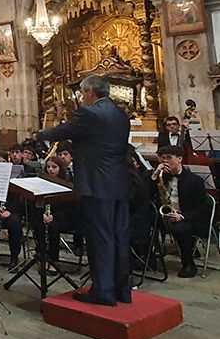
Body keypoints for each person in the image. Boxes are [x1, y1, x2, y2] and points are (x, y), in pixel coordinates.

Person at [39, 74, 131, 306]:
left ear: (90, 92)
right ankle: (122, 289)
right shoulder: (120, 114)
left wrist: (40, 134)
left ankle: (103, 292)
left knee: (100, 237)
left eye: (82, 92)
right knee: (119, 235)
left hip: (97, 183)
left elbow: (65, 131)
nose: (81, 96)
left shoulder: (90, 113)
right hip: (119, 182)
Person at [153, 145, 213, 277]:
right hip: (165, 214)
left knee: (181, 228)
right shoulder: (162, 177)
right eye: (163, 158)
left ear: (180, 159)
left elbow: (203, 208)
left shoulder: (195, 180)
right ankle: (149, 259)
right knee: (144, 222)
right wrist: (156, 174)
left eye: (169, 158)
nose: (165, 161)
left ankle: (188, 264)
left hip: (188, 218)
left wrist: (182, 216)